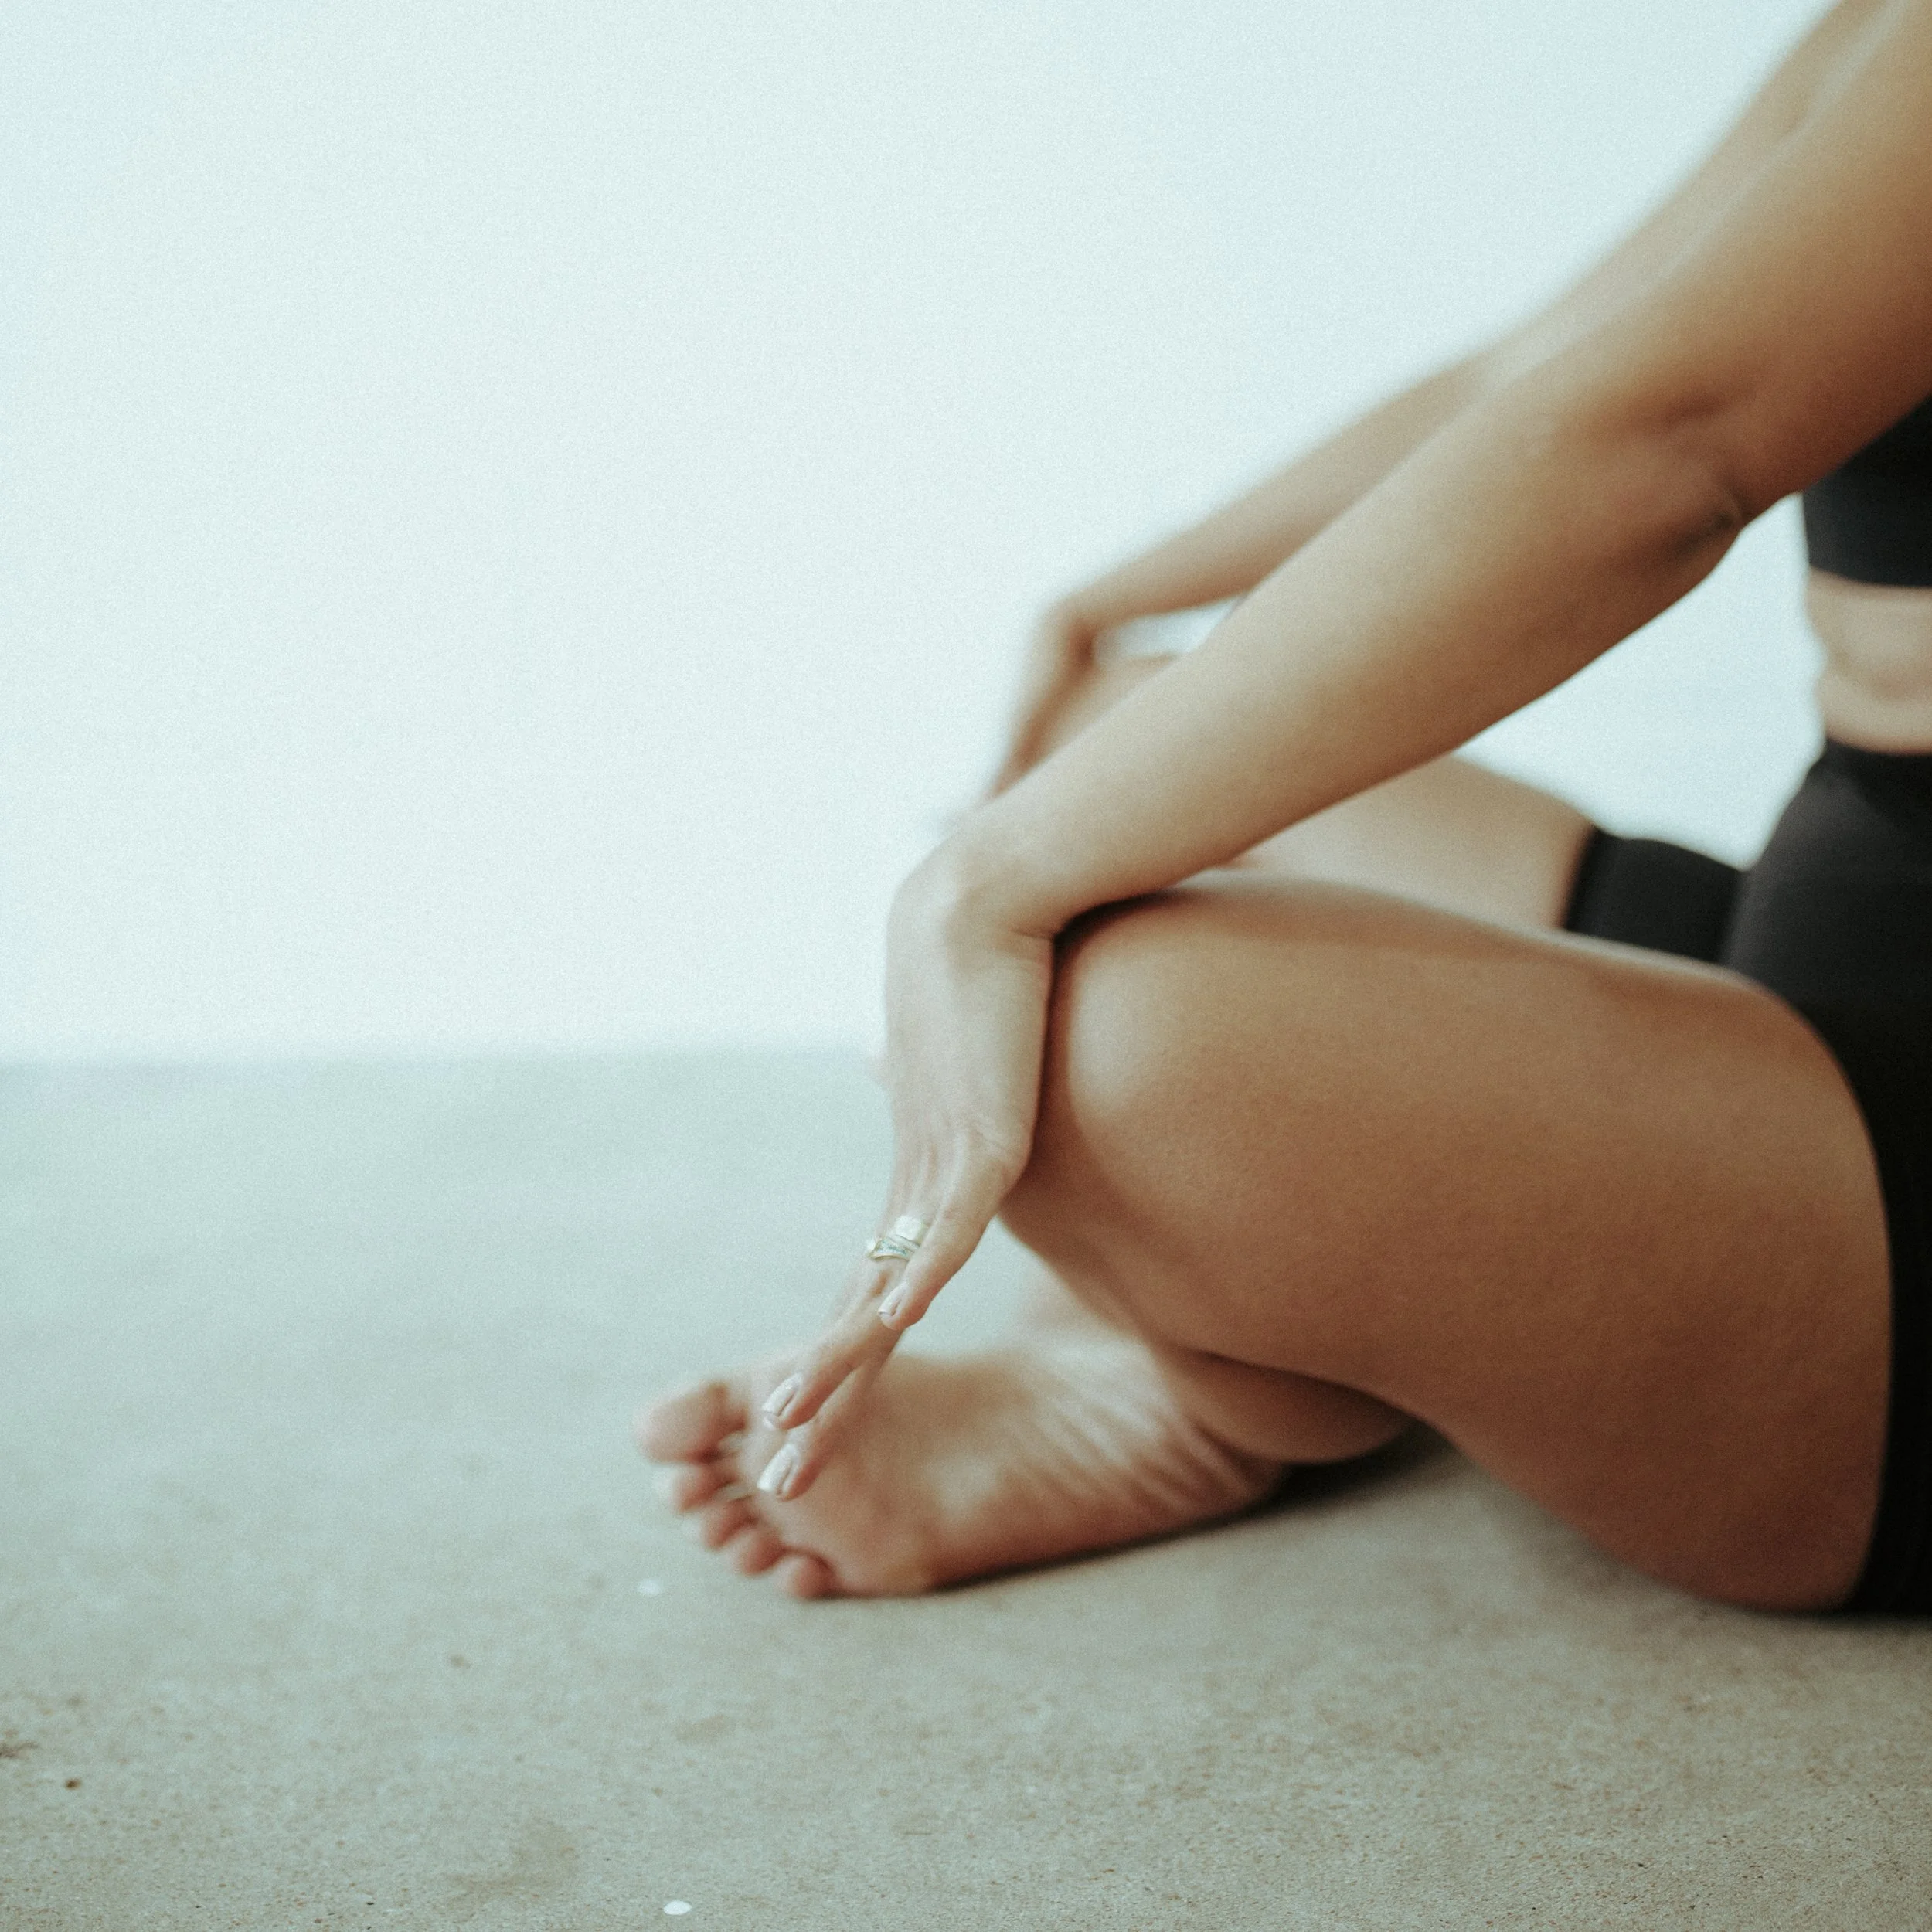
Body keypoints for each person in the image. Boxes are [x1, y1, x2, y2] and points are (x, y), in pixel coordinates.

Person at [638, 0, 1932, 1612]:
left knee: (1113, 1037)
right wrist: (1102, 608)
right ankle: (1173, 1354)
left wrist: (982, 883)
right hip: (1829, 918)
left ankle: (1212, 1379)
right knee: (1123, 739)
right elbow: (1545, 372)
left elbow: (1665, 444)